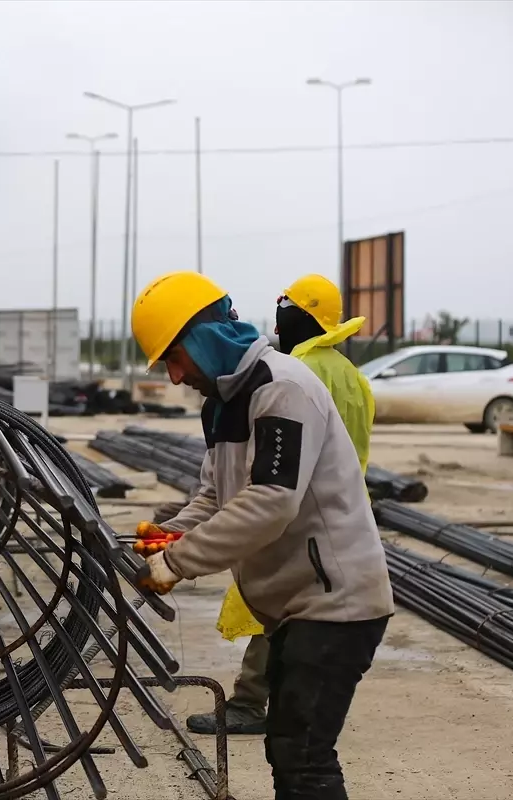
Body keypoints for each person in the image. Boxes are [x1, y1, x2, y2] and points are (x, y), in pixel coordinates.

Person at [129, 271, 394, 800]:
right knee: (290, 749)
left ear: (203, 337)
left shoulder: (282, 389)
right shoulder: (226, 401)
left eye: (174, 358)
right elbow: (216, 495)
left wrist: (180, 562)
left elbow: (273, 501)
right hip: (299, 605)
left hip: (337, 603)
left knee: (304, 756)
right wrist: (171, 534)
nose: (175, 377)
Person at [187, 273, 377, 737]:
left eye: (286, 308)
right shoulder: (350, 375)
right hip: (337, 514)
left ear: (304, 316)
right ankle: (283, 706)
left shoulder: (290, 373)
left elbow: (275, 485)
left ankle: (251, 703)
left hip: (301, 522)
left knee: (280, 614)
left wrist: (177, 559)